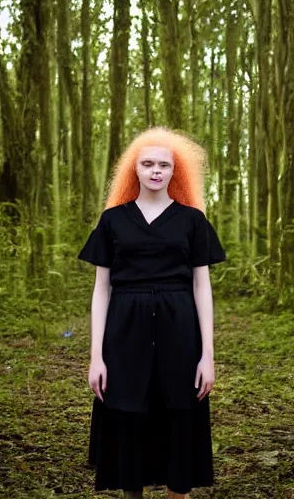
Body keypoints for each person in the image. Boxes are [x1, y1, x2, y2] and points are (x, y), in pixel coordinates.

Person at [78, 127, 225, 498]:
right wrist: (96, 356)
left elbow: (202, 287)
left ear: (176, 171)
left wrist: (208, 354)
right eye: (147, 163)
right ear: (135, 170)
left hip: (180, 329)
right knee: (128, 414)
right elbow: (101, 289)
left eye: (164, 164)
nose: (156, 170)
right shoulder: (113, 220)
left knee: (179, 410)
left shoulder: (192, 220)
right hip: (125, 330)